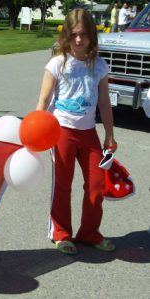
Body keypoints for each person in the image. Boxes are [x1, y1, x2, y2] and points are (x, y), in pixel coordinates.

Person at [36, 8, 117, 255]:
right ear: (66, 36)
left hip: (89, 133)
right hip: (61, 132)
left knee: (96, 186)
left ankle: (89, 232)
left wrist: (110, 136)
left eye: (83, 34)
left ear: (92, 35)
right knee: (63, 185)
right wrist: (35, 133)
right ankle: (61, 233)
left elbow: (104, 102)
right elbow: (44, 101)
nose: (79, 40)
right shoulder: (57, 63)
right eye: (73, 35)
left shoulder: (100, 65)